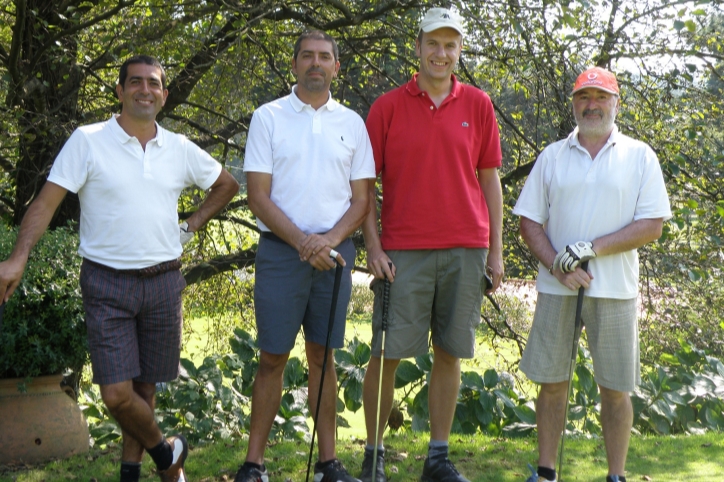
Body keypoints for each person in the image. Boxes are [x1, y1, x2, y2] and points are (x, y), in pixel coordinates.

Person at [0, 55, 240, 482]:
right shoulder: (87, 141)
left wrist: (191, 224)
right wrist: (18, 257)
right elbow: (45, 203)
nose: (144, 90)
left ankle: (132, 473)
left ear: (164, 95)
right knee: (116, 394)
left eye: (153, 83)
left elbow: (227, 184)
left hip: (164, 280)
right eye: (135, 82)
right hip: (107, 282)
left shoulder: (179, 148)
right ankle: (169, 456)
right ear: (120, 91)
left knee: (144, 390)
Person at [359, 7, 504, 482]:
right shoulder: (387, 107)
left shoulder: (479, 104)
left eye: (451, 45)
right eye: (434, 44)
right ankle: (374, 457)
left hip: (466, 248)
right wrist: (374, 248)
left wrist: (496, 251)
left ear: (459, 51)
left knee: (450, 351)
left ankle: (437, 459)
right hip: (403, 252)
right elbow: (365, 189)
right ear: (417, 47)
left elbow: (490, 182)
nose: (442, 54)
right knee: (386, 353)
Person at [513, 67, 672, 482]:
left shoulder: (640, 155)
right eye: (584, 97)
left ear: (616, 104)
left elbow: (652, 224)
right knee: (551, 383)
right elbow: (529, 221)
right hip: (557, 288)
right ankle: (546, 472)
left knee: (616, 390)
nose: (592, 105)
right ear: (574, 104)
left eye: (601, 97)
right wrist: (557, 265)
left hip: (615, 291)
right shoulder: (551, 156)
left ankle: (615, 475)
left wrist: (591, 248)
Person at [234, 30, 375, 482]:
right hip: (281, 254)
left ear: (337, 67)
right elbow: (258, 196)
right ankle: (254, 464)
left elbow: (362, 200)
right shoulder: (268, 117)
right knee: (272, 357)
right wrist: (302, 243)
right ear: (294, 64)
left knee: (323, 357)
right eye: (307, 56)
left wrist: (328, 241)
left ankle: (328, 464)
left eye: (325, 57)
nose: (316, 63)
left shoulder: (352, 123)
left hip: (334, 256)